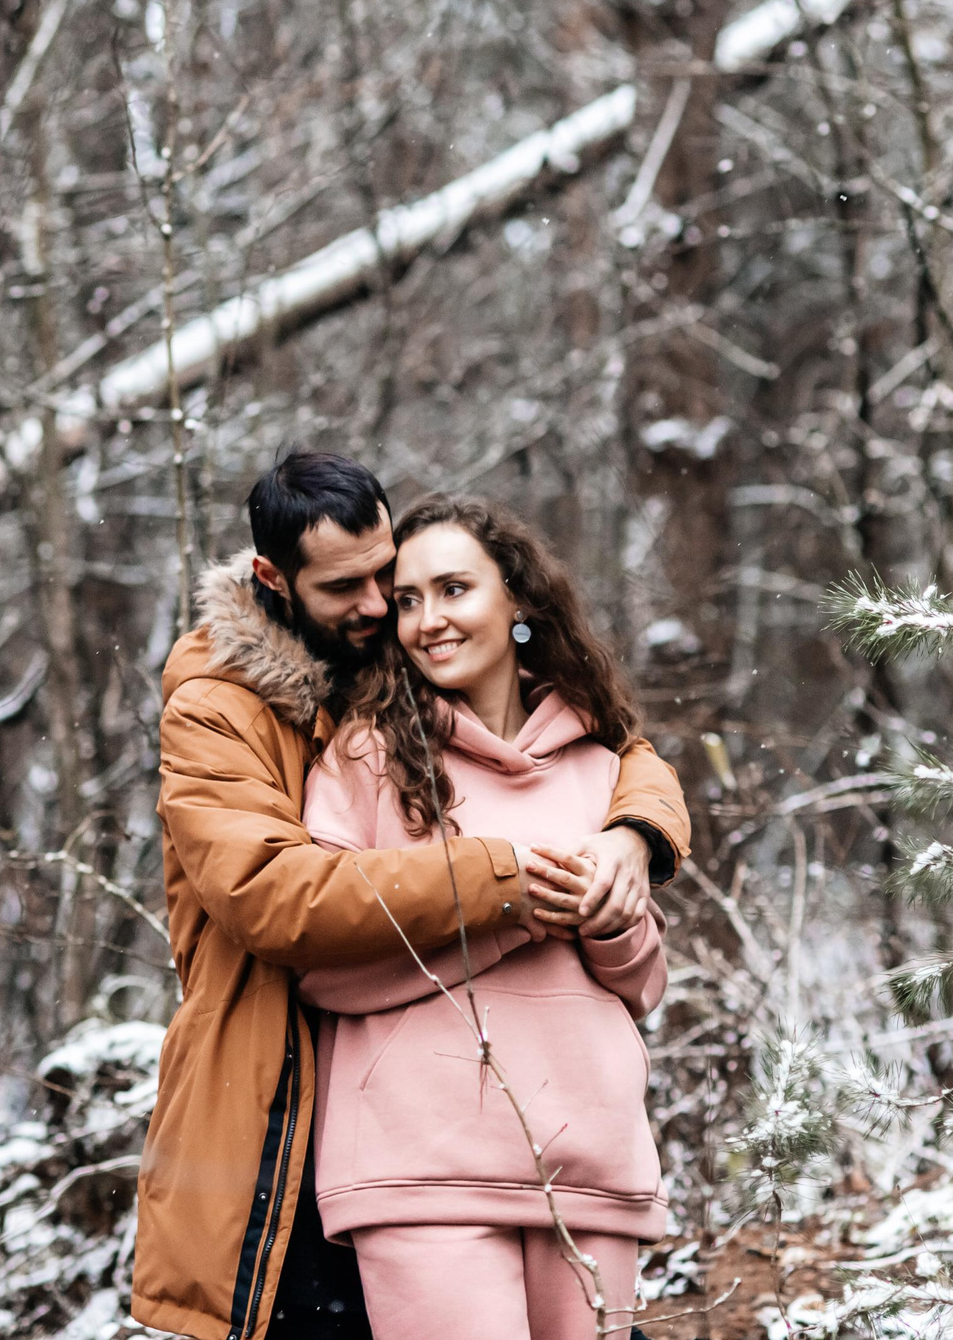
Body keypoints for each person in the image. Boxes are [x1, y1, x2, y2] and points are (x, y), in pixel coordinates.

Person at [130, 452, 689, 1340]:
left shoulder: (407, 674)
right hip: (286, 1090)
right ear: (274, 580)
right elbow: (276, 898)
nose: (382, 610)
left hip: (553, 1145)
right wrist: (507, 886)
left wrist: (636, 834)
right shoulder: (222, 710)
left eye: (385, 579)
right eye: (350, 589)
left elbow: (622, 759)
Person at [297, 493, 666, 1340]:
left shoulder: (602, 764)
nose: (427, 620)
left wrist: (611, 917)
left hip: (590, 1161)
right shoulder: (366, 757)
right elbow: (319, 958)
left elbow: (642, 983)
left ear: (518, 599)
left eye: (454, 589)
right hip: (421, 1169)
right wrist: (511, 908)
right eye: (408, 600)